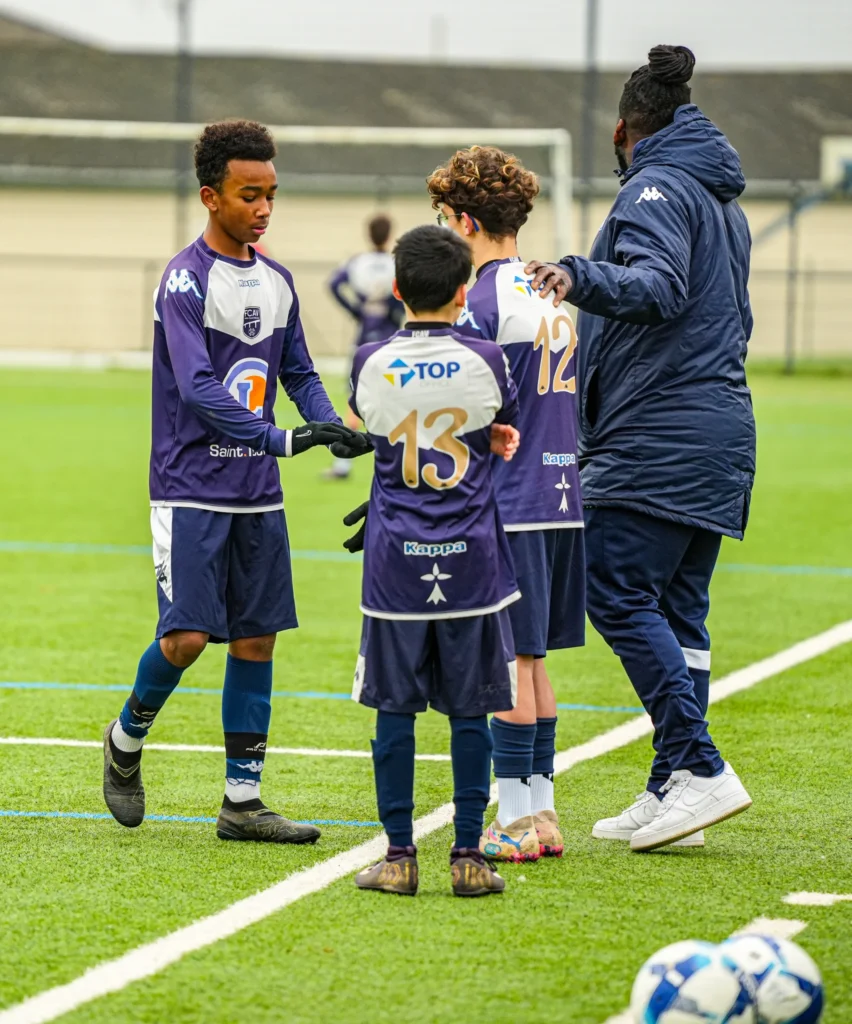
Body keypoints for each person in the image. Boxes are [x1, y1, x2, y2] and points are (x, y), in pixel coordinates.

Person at [101, 119, 370, 843]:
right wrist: (281, 438)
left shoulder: (278, 281)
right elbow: (196, 385)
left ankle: (242, 804)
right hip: (189, 486)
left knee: (257, 640)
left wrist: (330, 423)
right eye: (249, 195)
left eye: (271, 194)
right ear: (210, 196)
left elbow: (298, 372)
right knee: (187, 638)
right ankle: (125, 739)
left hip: (257, 494)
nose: (263, 208)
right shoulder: (184, 280)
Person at [526, 44, 755, 852]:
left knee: (614, 588)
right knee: (679, 610)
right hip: (716, 431)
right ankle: (672, 792)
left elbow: (659, 287)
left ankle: (698, 765)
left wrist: (576, 275)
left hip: (660, 432)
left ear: (623, 130)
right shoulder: (719, 198)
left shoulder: (655, 187)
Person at [343, 225, 521, 897]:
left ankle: (398, 857)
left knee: (394, 709)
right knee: (471, 710)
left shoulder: (369, 359)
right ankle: (469, 856)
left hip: (395, 561)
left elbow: (372, 431)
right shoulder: (487, 358)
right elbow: (494, 422)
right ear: (463, 291)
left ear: (396, 289)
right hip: (472, 559)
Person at [426, 146, 585, 863]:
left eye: (445, 220)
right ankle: (541, 811)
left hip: (510, 500)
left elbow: (463, 411)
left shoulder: (481, 301)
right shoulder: (551, 292)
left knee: (508, 661)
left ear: (465, 220)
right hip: (561, 496)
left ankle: (515, 818)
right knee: (533, 658)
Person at [325, 214, 405, 480]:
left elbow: (334, 284)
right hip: (390, 336)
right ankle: (398, 464)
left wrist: (355, 310)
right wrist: (394, 310)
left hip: (364, 337)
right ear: (389, 234)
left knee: (354, 400)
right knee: (396, 399)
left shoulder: (358, 262)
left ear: (368, 234)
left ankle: (343, 464)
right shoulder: (396, 263)